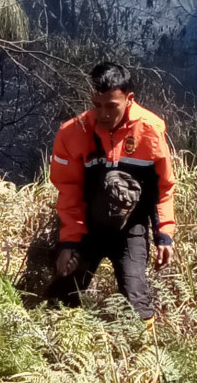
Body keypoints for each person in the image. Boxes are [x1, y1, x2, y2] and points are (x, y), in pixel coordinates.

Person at [46, 61, 175, 323]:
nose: (103, 114)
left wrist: (163, 235)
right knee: (62, 296)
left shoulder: (150, 130)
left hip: (131, 227)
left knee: (136, 299)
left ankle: (143, 346)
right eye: (97, 105)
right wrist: (69, 243)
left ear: (129, 99)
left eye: (111, 106)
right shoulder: (72, 133)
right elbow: (69, 191)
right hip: (88, 227)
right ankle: (62, 340)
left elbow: (162, 188)